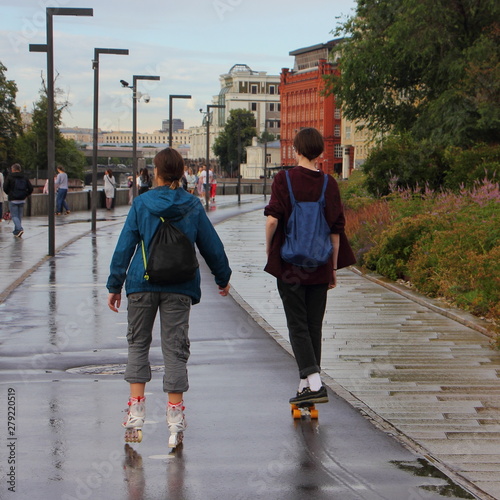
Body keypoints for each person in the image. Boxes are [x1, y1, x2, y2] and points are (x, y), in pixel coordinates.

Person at [106, 147, 232, 448]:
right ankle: (175, 422)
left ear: (157, 172)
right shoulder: (192, 205)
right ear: (182, 171)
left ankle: (135, 416)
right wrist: (222, 276)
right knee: (175, 348)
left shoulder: (141, 203)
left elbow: (125, 245)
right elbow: (210, 244)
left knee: (138, 343)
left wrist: (115, 284)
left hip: (141, 282)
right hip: (180, 284)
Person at [264, 127, 355, 406]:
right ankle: (305, 387)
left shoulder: (284, 179)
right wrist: (334, 269)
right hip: (319, 263)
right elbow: (336, 230)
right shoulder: (330, 184)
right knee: (313, 325)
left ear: (297, 150)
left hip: (290, 264)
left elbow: (272, 220)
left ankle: (314, 382)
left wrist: (270, 250)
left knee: (296, 323)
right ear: (321, 152)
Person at [3, 163, 33, 238]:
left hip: (13, 199)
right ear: (19, 169)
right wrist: (25, 194)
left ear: (13, 169)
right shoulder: (24, 177)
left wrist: (10, 193)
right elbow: (30, 188)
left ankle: (19, 229)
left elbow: (5, 187)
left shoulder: (10, 177)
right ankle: (16, 231)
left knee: (14, 216)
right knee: (19, 216)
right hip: (22, 199)